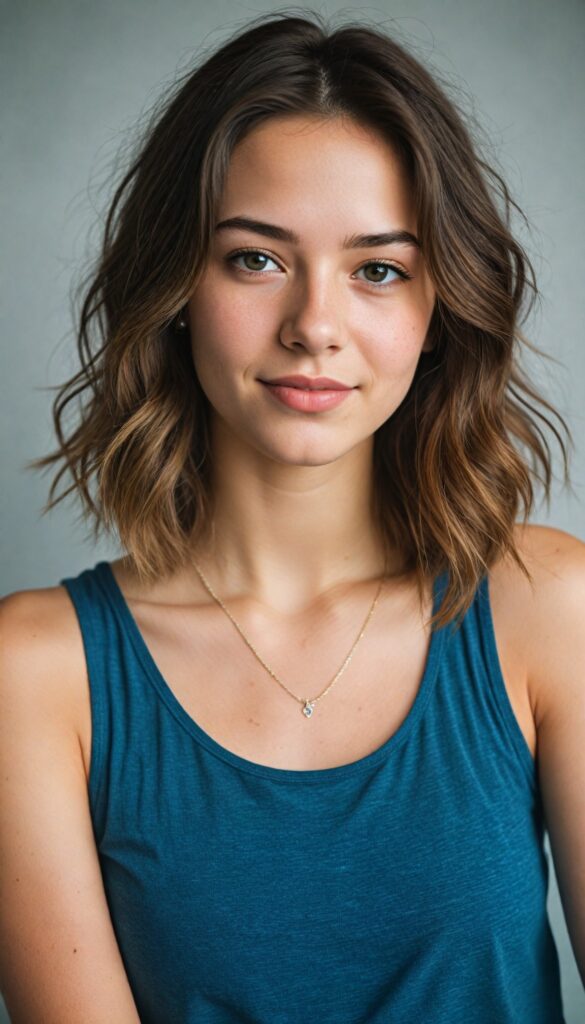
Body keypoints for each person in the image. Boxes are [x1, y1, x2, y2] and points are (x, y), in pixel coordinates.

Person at [0, 9, 583, 1023]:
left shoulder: (549, 611)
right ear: (178, 282)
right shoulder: (34, 676)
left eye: (379, 269)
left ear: (438, 307)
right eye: (256, 259)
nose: (315, 324)